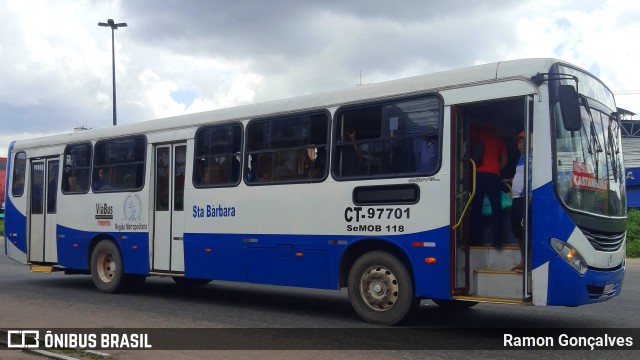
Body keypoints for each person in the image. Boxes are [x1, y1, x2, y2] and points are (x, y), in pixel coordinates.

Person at [470, 122, 508, 247]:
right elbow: (504, 159)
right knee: (496, 209)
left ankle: (476, 240)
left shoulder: (477, 133)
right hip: (494, 176)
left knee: (476, 209)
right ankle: (497, 241)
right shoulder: (499, 138)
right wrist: (496, 169)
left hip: (478, 174)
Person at [511, 131, 531, 272]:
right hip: (516, 199)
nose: (521, 144)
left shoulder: (533, 157)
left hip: (526, 199)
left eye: (524, 140)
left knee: (526, 232)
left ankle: (527, 263)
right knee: (519, 232)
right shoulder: (520, 158)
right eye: (519, 141)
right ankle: (522, 262)